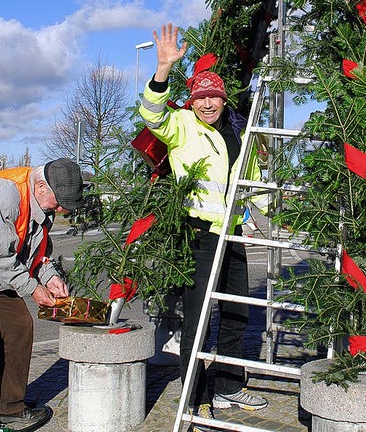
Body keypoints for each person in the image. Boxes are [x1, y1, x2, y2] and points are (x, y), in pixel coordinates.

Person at [139, 23, 268, 431]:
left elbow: (250, 178)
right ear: (192, 101)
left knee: (238, 310)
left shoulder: (238, 131)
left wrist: (262, 218)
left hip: (231, 233)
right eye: (200, 97)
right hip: (197, 233)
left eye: (213, 95)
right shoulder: (181, 126)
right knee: (197, 316)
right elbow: (152, 113)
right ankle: (192, 396)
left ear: (223, 97)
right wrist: (163, 70)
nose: (207, 103)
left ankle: (229, 387)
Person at [0, 158, 84, 432]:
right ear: (40, 187)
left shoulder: (41, 205)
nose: (61, 210)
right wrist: (33, 288)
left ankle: (10, 409)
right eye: (59, 203)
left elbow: (36, 250)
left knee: (20, 329)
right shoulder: (5, 194)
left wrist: (50, 277)